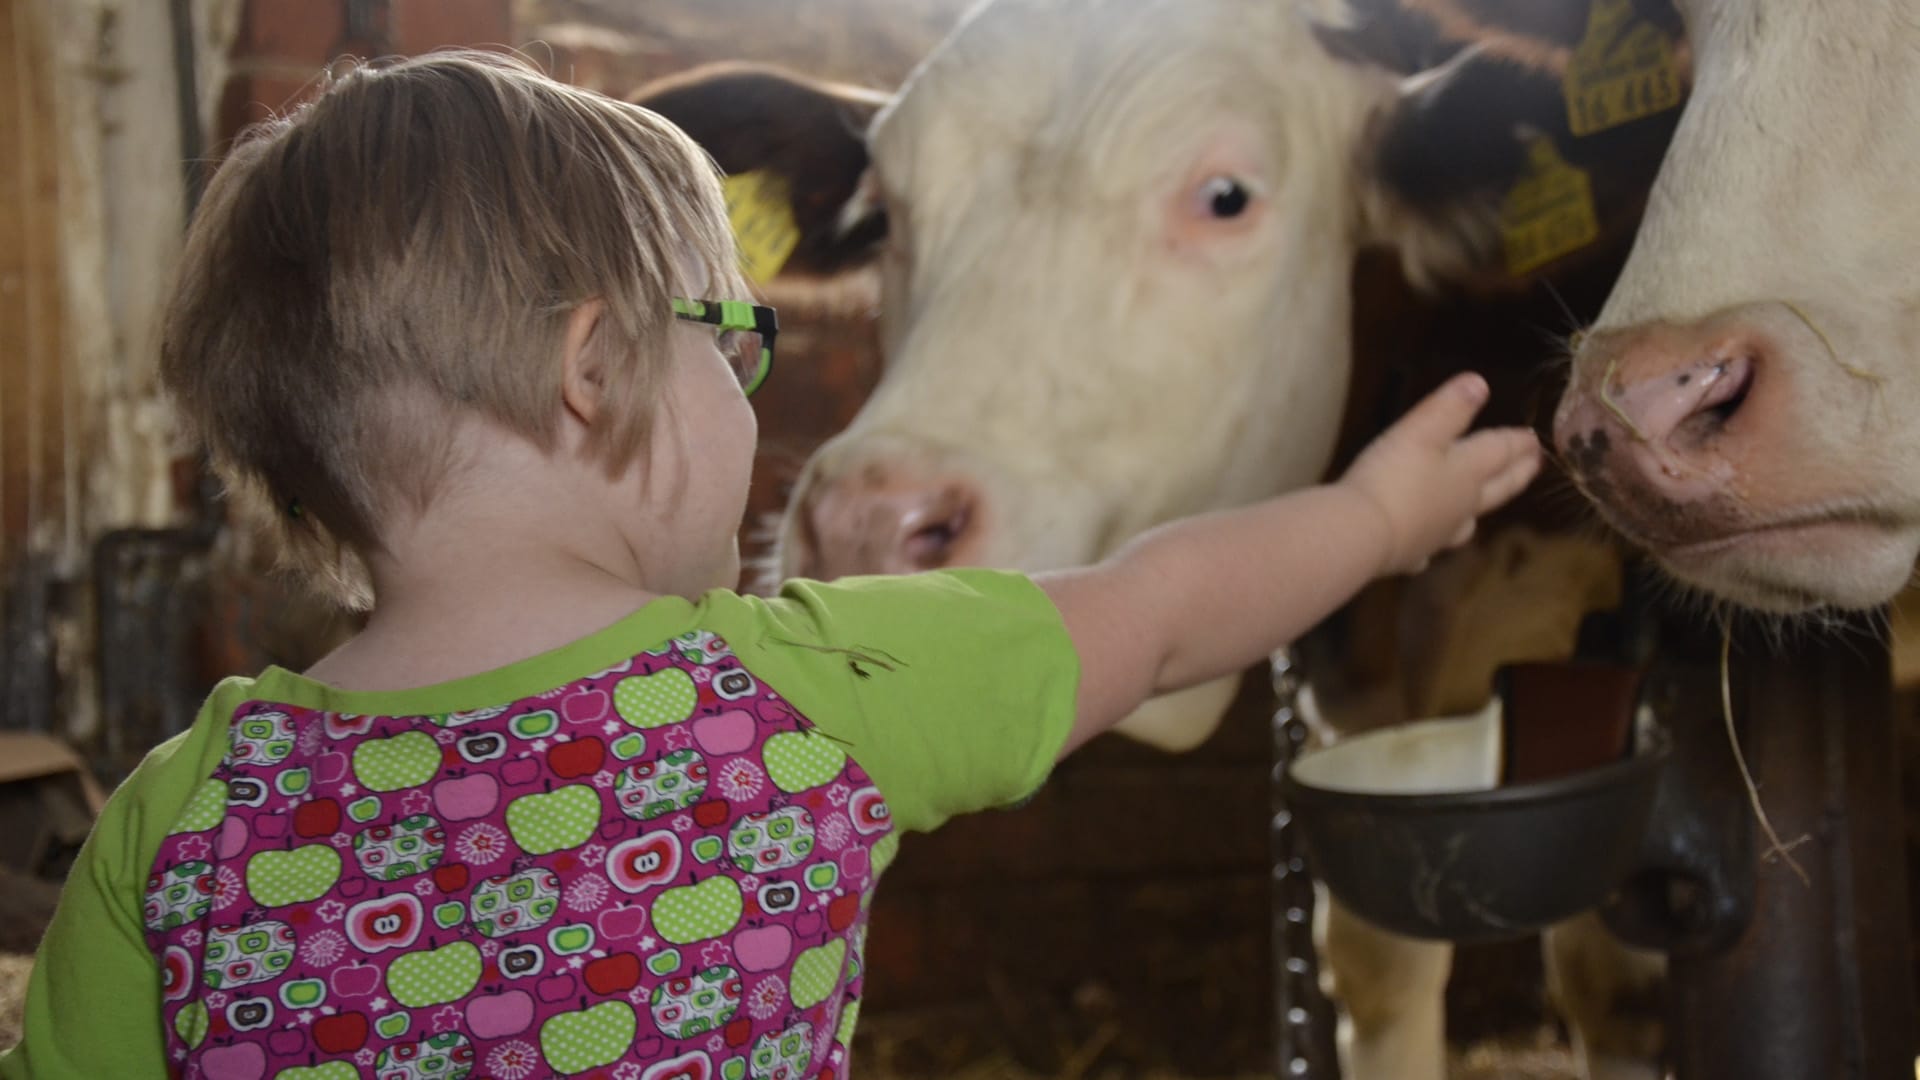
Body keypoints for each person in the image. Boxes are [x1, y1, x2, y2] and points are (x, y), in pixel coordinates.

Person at [0, 50, 1539, 1080]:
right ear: (595, 373)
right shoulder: (801, 696)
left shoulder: (182, 820)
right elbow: (1162, 615)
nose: (750, 394)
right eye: (735, 343)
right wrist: (1382, 520)